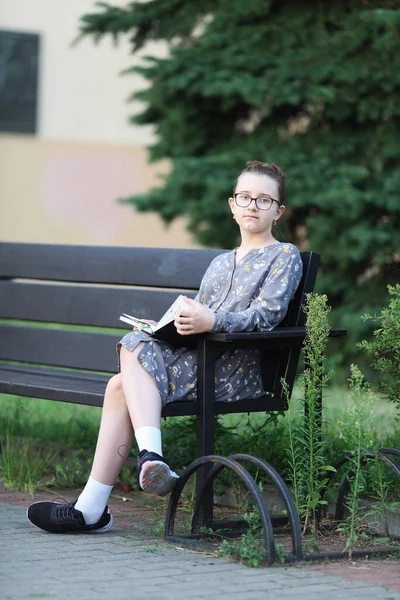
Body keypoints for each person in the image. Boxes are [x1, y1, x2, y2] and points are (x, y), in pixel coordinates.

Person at [27, 160, 303, 534]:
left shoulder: (283, 255)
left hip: (236, 370)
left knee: (124, 369)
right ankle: (99, 502)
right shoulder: (221, 264)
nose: (252, 205)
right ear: (232, 205)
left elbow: (268, 315)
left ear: (278, 211)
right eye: (244, 197)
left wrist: (213, 321)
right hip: (200, 359)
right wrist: (178, 325)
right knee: (121, 376)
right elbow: (201, 316)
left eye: (264, 200)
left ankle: (121, 482)